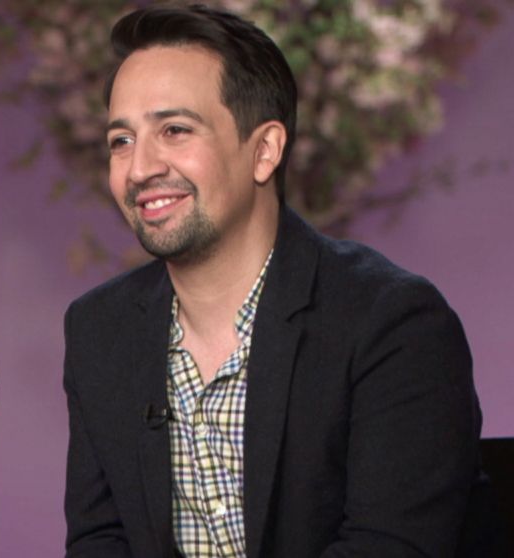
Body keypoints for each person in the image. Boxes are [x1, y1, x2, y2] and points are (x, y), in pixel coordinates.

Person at [63, 4, 487, 557]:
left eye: (174, 130)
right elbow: (100, 542)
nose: (140, 168)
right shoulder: (100, 330)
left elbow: (391, 547)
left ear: (264, 150)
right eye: (121, 140)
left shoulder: (393, 324)